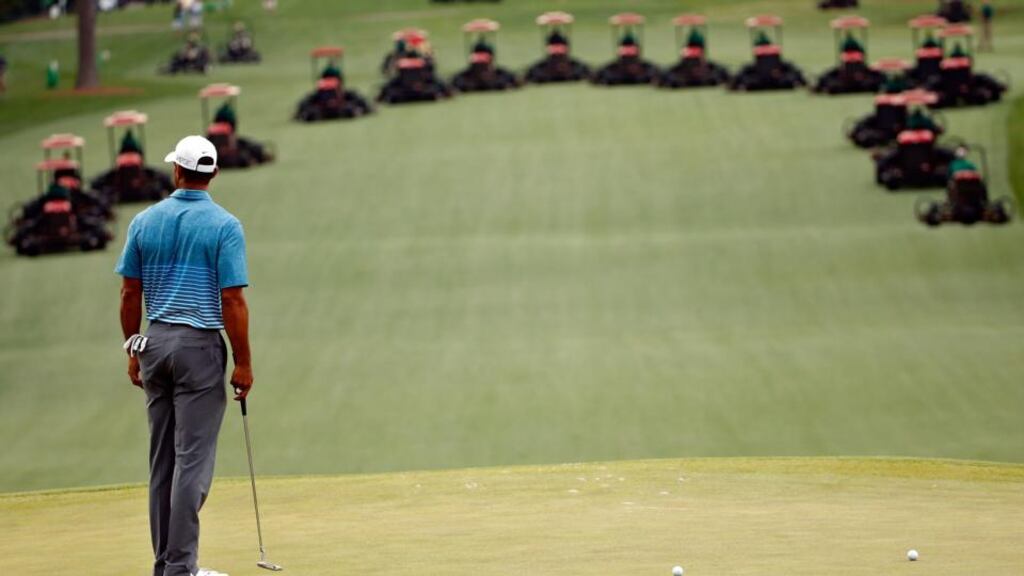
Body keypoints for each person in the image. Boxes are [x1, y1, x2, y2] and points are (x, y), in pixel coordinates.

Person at [117, 135, 252, 576]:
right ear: (212, 173)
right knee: (192, 461)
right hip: (199, 348)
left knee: (163, 461)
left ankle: (167, 565)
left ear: (177, 171)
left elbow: (129, 291)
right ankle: (180, 569)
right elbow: (232, 300)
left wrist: (132, 346)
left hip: (154, 344)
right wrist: (243, 362)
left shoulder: (144, 220)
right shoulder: (225, 225)